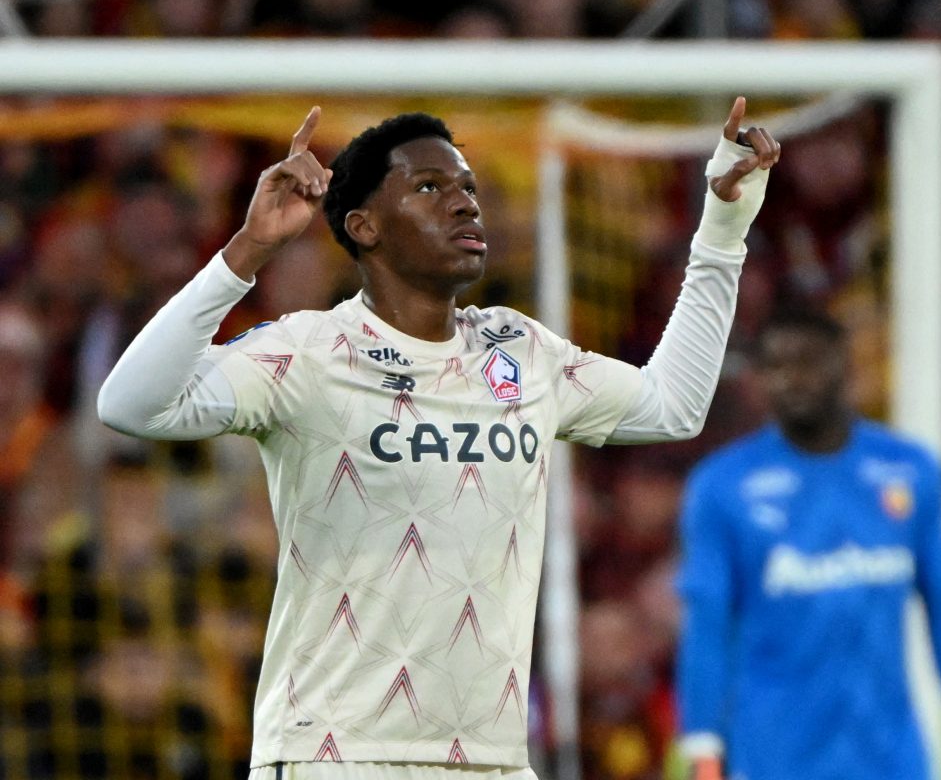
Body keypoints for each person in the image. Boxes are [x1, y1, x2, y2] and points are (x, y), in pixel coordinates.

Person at [96, 100, 779, 778]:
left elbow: (673, 406)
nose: (463, 204)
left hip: (491, 762)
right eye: (429, 187)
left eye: (467, 188)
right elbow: (131, 405)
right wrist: (246, 253)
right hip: (335, 755)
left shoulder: (519, 350)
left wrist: (722, 229)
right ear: (364, 226)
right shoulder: (309, 351)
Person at [675, 308, 941, 780]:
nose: (792, 379)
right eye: (776, 366)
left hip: (893, 758)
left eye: (807, 361)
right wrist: (703, 748)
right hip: (772, 758)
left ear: (845, 366)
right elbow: (707, 624)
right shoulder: (722, 487)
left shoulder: (911, 470)